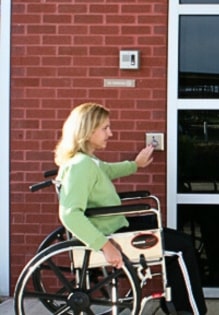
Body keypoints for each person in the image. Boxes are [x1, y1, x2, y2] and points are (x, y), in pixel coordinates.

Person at [54, 102, 207, 314]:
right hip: (111, 233)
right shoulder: (80, 166)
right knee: (181, 249)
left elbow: (108, 170)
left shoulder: (88, 161)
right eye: (105, 128)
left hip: (116, 225)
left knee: (169, 236)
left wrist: (136, 164)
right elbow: (70, 214)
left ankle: (175, 306)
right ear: (88, 131)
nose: (111, 133)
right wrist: (105, 246)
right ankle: (190, 311)